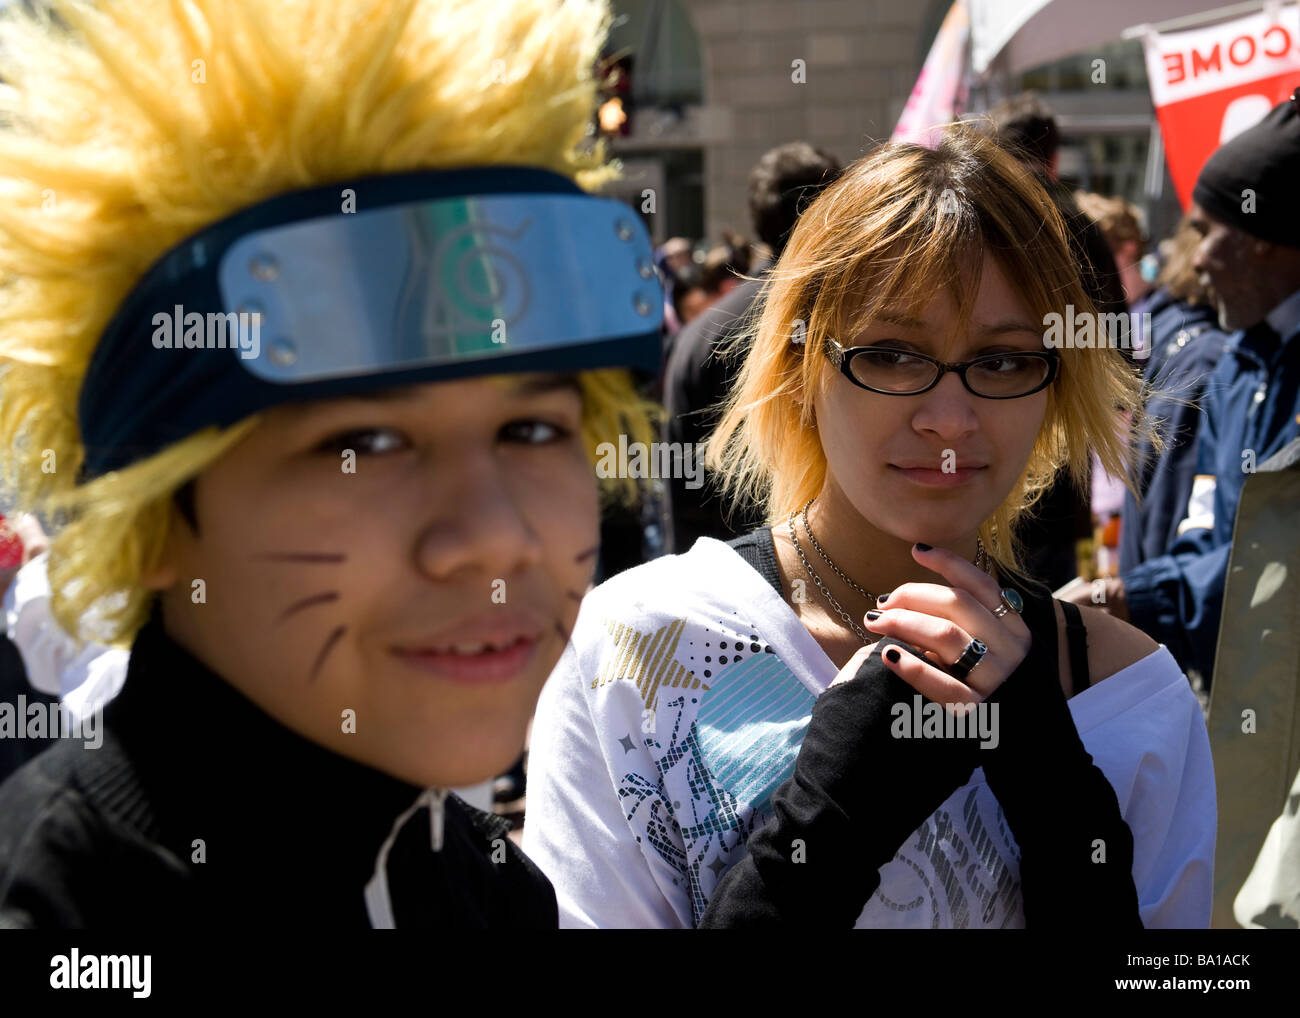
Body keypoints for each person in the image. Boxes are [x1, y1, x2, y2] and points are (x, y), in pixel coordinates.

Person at [0, 0, 659, 928]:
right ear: (146, 515)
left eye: (534, 430)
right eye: (363, 444)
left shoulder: (493, 892)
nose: (494, 537)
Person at [523, 126, 1215, 928]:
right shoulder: (633, 649)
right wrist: (828, 825)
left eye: (1001, 362)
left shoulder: (1134, 697)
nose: (950, 419)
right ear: (802, 368)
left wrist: (1060, 803)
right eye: (890, 354)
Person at [1067, 90, 1300, 689]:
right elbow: (1209, 535)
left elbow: (1281, 567)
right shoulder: (1242, 362)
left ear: (1263, 238)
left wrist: (1129, 598)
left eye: (1206, 233)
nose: (1195, 263)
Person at [662, 142, 842, 553]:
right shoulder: (853, 324)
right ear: (836, 209)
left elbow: (680, 475)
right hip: (823, 582)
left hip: (719, 576)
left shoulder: (699, 334)